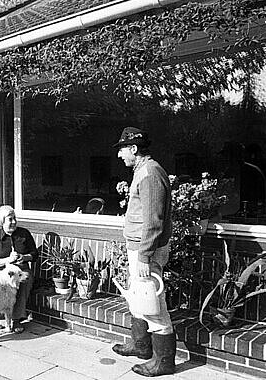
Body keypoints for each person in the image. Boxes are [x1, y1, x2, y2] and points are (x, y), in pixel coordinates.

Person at [111, 127, 176, 377]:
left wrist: (145, 256)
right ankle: (141, 346)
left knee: (153, 304)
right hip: (139, 249)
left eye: (122, 149)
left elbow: (153, 222)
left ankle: (164, 362)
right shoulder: (142, 171)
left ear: (134, 149)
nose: (120, 156)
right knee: (139, 298)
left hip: (145, 250)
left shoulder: (149, 173)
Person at [0, 205, 37, 333]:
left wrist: (24, 257)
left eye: (15, 218)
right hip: (2, 270)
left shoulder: (24, 234)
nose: (14, 222)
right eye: (10, 219)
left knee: (23, 281)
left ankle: (15, 318)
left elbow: (34, 254)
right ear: (2, 221)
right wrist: (8, 260)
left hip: (20, 269)